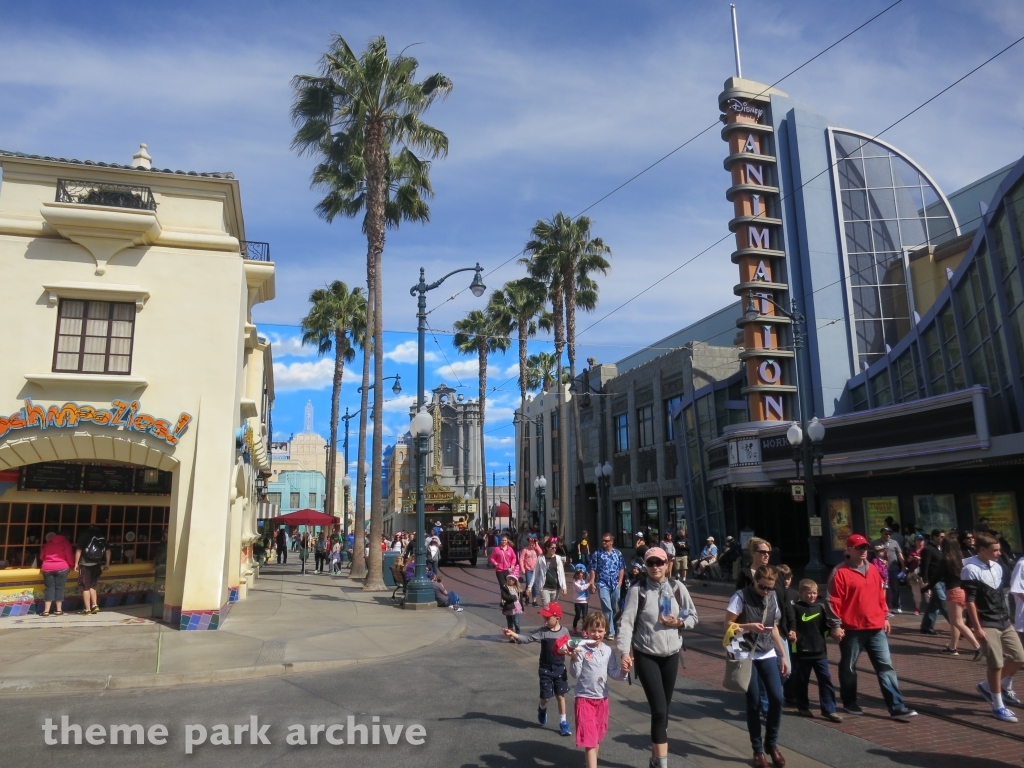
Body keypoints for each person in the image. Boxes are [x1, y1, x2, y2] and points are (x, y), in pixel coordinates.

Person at [618, 546, 698, 768]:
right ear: (645, 566)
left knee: (664, 709)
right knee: (659, 710)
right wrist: (624, 652)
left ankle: (655, 758)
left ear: (666, 564)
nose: (655, 567)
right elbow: (626, 623)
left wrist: (679, 623)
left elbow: (693, 615)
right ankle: (662, 764)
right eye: (651, 563)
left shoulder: (677, 587)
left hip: (671, 654)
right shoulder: (638, 590)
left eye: (659, 563)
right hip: (647, 654)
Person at [828, 534, 917, 719]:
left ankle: (896, 707)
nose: (863, 551)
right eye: (859, 548)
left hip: (876, 627)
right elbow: (832, 601)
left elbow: (879, 596)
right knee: (849, 667)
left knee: (886, 666)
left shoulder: (873, 570)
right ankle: (850, 701)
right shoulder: (840, 572)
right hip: (852, 629)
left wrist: (885, 616)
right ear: (849, 550)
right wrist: (835, 625)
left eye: (865, 548)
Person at [724, 565, 789, 768]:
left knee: (777, 698)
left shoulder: (772, 597)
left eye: (770, 588)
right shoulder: (740, 597)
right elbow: (727, 624)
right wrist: (747, 627)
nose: (766, 591)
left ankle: (771, 743)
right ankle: (757, 749)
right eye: (762, 587)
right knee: (753, 701)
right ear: (755, 581)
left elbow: (774, 627)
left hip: (767, 651)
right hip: (745, 652)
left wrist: (783, 655)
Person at [963, 532, 1023, 722]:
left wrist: (1009, 616)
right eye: (994, 550)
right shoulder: (970, 569)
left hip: (1003, 620)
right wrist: (977, 627)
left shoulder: (997, 567)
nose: (998, 553)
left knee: (1019, 657)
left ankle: (988, 686)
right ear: (981, 550)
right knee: (995, 663)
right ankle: (997, 705)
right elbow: (970, 601)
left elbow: (1001, 594)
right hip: (986, 621)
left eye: (999, 549)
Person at [503, 602, 573, 736]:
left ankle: (563, 722)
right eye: (544, 618)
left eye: (548, 618)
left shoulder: (564, 632)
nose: (545, 621)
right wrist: (514, 634)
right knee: (546, 697)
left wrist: (572, 652)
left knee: (560, 695)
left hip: (559, 668)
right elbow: (528, 638)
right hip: (545, 668)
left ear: (557, 618)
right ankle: (542, 708)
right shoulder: (543, 632)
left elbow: (570, 646)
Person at [569, 612, 628, 768]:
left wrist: (624, 671)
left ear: (606, 631)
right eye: (593, 630)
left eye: (600, 631)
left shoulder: (608, 651)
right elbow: (575, 674)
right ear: (586, 631)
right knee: (589, 740)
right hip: (584, 699)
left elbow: (614, 673)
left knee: (596, 738)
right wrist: (574, 659)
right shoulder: (581, 648)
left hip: (602, 699)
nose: (596, 634)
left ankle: (591, 763)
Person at [788, 579, 843, 722]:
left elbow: (824, 629)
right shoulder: (796, 609)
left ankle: (829, 709)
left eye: (814, 593)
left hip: (819, 651)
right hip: (802, 652)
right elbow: (791, 627)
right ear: (801, 593)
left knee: (825, 679)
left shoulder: (819, 608)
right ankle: (803, 706)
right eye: (808, 593)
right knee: (802, 680)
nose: (812, 596)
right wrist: (792, 635)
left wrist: (834, 631)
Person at [925, 537, 981, 658]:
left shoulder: (945, 560)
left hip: (953, 591)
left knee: (957, 621)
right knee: (954, 621)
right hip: (963, 591)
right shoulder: (963, 559)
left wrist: (925, 588)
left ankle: (978, 647)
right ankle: (952, 647)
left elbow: (936, 577)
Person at [588, 533, 625, 638]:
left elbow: (621, 568)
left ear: (611, 542)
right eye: (603, 540)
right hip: (602, 584)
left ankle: (609, 624)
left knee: (614, 607)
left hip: (615, 584)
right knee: (607, 608)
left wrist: (620, 582)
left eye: (606, 541)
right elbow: (593, 569)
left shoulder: (618, 553)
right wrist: (592, 582)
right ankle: (611, 631)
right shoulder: (597, 554)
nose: (604, 542)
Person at [74, 524, 111, 615]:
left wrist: (76, 563)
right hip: (97, 564)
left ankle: (87, 609)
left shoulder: (84, 535)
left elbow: (79, 550)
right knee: (92, 586)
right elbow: (108, 551)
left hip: (85, 564)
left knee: (85, 587)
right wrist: (107, 563)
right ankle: (95, 605)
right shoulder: (101, 536)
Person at [919, 529, 948, 634]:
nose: (943, 539)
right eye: (941, 536)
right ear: (934, 537)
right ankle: (957, 625)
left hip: (943, 580)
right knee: (943, 603)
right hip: (934, 581)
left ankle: (926, 626)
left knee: (934, 605)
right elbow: (924, 566)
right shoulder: (928, 549)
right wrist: (926, 581)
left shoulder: (941, 549)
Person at [39, 531, 74, 617]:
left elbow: (41, 556)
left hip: (47, 568)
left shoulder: (48, 543)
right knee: (59, 588)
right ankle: (58, 610)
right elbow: (69, 556)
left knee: (49, 588)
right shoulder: (66, 543)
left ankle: (46, 611)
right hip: (62, 567)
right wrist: (72, 565)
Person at [873, 528, 905, 614]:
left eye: (889, 534)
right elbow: (870, 556)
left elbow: (899, 554)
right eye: (886, 534)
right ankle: (885, 606)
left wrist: (903, 566)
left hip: (893, 569)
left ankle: (896, 606)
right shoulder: (875, 542)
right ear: (881, 534)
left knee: (895, 588)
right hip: (880, 570)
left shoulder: (894, 542)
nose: (888, 535)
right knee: (883, 589)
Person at [536, 540, 567, 608]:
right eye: (552, 548)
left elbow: (561, 574)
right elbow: (535, 573)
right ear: (547, 548)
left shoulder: (558, 558)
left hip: (555, 587)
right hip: (545, 587)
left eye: (555, 548)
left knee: (553, 609)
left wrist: (564, 587)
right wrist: (529, 587)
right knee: (547, 608)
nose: (554, 549)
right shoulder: (541, 558)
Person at [904, 534, 926, 615]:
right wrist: (910, 559)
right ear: (915, 541)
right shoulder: (911, 550)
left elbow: (930, 561)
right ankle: (917, 608)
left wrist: (920, 559)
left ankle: (931, 607)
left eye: (921, 540)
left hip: (924, 574)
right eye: (918, 540)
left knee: (928, 591)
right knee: (916, 592)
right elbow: (907, 563)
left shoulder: (926, 549)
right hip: (914, 573)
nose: (920, 542)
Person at [519, 535, 542, 607]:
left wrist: (537, 545)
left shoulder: (536, 550)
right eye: (530, 544)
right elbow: (521, 559)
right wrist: (522, 569)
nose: (531, 546)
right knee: (529, 584)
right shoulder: (525, 550)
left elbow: (541, 553)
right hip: (528, 570)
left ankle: (534, 600)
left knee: (535, 585)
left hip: (536, 570)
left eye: (533, 545)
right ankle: (527, 596)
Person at [572, 564, 590, 634]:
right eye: (579, 573)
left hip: (585, 601)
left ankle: (584, 630)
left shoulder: (586, 579)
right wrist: (589, 584)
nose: (581, 574)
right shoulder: (575, 581)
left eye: (582, 573)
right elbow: (580, 588)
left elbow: (591, 577)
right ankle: (574, 626)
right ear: (576, 573)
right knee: (578, 615)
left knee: (585, 616)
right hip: (577, 601)